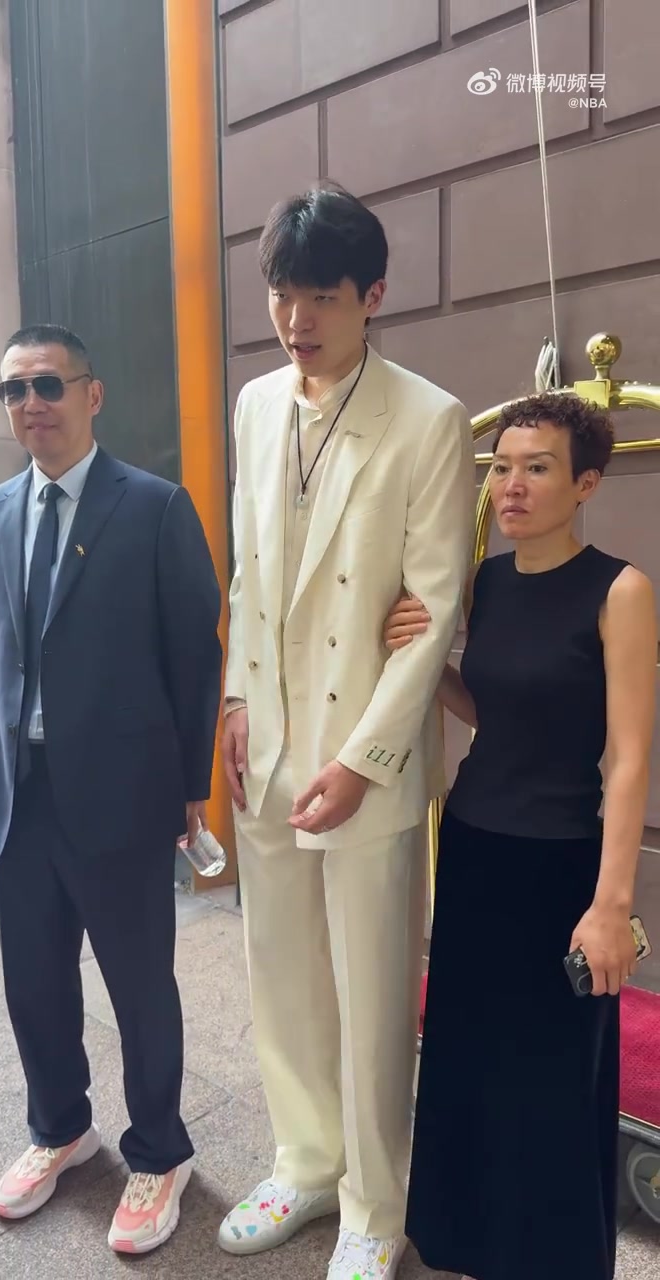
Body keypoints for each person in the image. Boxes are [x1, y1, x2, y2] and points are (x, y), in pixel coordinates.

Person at [218, 184, 476, 1279]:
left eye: (321, 295)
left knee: (372, 989)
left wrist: (367, 760)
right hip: (269, 739)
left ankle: (375, 1202)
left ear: (372, 295)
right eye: (282, 294)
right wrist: (235, 701)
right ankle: (306, 1159)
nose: (296, 320)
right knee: (280, 971)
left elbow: (435, 609)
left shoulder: (428, 418)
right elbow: (250, 571)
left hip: (363, 752)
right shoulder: (254, 402)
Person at [0, 324, 222, 1255]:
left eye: (48, 385)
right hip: (15, 796)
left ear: (91, 395)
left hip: (122, 797)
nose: (31, 404)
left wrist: (189, 786)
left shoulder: (153, 507)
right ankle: (60, 1127)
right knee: (32, 980)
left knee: (139, 984)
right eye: (14, 390)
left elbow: (194, 654)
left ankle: (160, 1152)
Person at [383, 392, 657, 1280]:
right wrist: (428, 663)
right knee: (470, 1058)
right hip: (474, 848)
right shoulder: (489, 582)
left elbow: (628, 759)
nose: (512, 485)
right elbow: (493, 712)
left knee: (552, 1077)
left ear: (585, 484)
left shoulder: (620, 590)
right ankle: (471, 1244)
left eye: (537, 468)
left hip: (561, 868)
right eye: (501, 467)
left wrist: (612, 905)